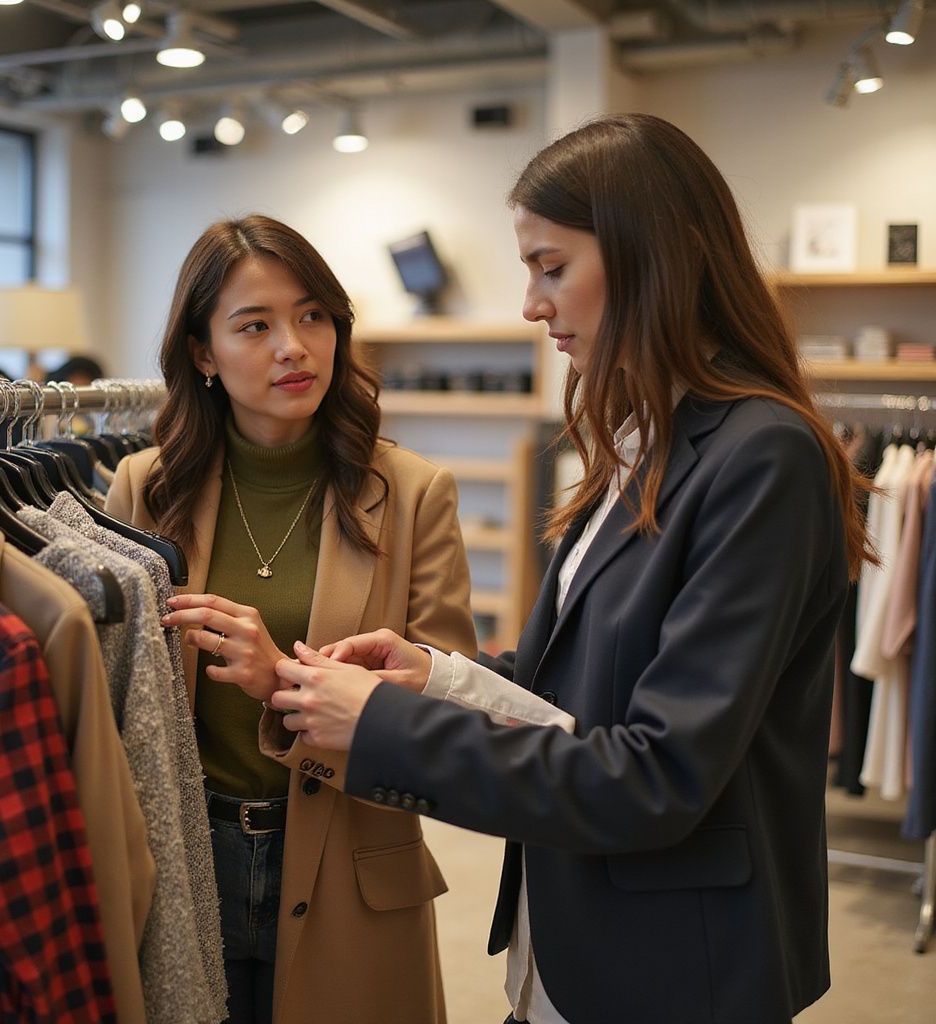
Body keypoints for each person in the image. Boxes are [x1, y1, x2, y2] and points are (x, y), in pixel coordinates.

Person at [266, 114, 873, 1024]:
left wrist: (388, 727)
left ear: (648, 256)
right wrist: (433, 678)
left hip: (675, 969)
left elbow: (657, 776)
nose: (531, 304)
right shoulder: (636, 439)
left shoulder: (761, 458)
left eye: (552, 267)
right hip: (573, 944)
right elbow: (577, 690)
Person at [104, 214, 476, 1024]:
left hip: (350, 860)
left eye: (313, 316)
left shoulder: (411, 493)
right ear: (202, 353)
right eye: (255, 325)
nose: (294, 347)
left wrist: (288, 685)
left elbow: (450, 718)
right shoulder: (142, 488)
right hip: (184, 857)